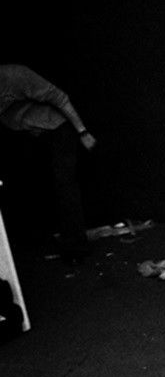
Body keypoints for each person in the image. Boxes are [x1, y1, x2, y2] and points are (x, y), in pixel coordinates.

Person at [0, 64, 97, 259]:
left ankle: (77, 248)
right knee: (38, 183)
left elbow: (60, 98)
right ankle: (44, 239)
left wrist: (83, 132)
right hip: (31, 133)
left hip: (58, 128)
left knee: (65, 185)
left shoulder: (15, 75)